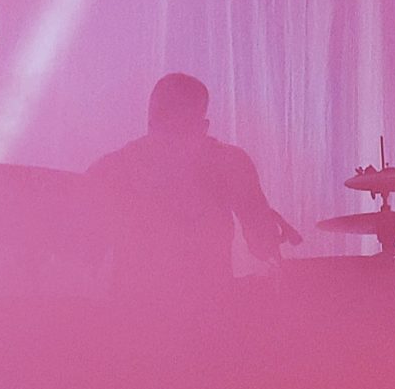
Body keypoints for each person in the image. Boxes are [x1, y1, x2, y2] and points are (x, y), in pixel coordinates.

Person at [87, 72, 299, 302]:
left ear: (150, 119)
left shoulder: (111, 167)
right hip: (207, 310)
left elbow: (85, 255)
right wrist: (268, 229)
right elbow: (262, 247)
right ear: (203, 124)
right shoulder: (230, 163)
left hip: (135, 311)